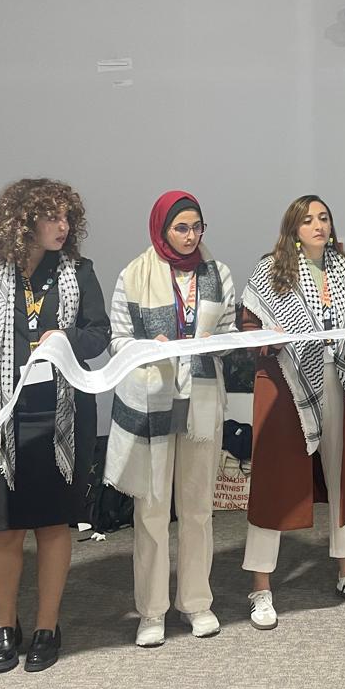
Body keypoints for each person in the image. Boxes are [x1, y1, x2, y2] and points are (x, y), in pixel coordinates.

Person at [0, 178, 111, 672]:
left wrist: (65, 338)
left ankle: (47, 625)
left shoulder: (79, 271)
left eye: (68, 218)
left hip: (64, 419)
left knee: (52, 524)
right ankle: (6, 625)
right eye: (52, 217)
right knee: (3, 530)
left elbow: (98, 334)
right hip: (2, 422)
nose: (63, 227)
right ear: (23, 222)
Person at [240, 195, 345, 629]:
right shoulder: (271, 269)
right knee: (274, 481)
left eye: (324, 218)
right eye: (308, 220)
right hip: (286, 381)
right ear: (293, 229)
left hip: (340, 379)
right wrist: (269, 338)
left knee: (344, 476)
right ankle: (261, 588)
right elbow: (248, 327)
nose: (318, 225)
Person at [104, 191, 236, 648]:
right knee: (153, 511)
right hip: (152, 401)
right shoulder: (134, 274)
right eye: (181, 227)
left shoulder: (217, 273)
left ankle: (197, 603)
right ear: (162, 228)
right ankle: (152, 611)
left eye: (197, 227)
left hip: (201, 399)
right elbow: (118, 340)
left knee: (198, 509)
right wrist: (148, 348)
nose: (191, 235)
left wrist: (214, 342)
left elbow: (229, 333)